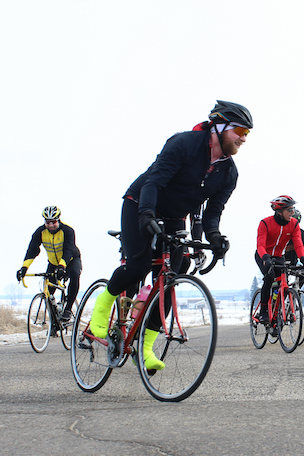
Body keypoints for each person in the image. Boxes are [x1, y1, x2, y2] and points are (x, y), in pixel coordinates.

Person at [88, 100, 253, 371]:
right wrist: (147, 214)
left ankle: (144, 348)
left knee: (172, 275)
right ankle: (103, 306)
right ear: (220, 126)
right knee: (138, 265)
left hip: (175, 215)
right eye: (241, 132)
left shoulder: (229, 173)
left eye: (247, 134)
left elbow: (214, 211)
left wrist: (214, 236)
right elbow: (154, 181)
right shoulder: (184, 144)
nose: (244, 139)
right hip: (140, 202)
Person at [16, 206, 82, 323]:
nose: (51, 225)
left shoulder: (68, 231)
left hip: (71, 260)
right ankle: (54, 323)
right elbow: (32, 250)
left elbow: (68, 250)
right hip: (53, 263)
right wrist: (24, 267)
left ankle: (68, 309)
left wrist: (62, 266)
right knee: (49, 291)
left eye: (53, 222)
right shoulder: (40, 232)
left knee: (74, 274)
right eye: (47, 222)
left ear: (58, 220)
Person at [255, 195, 304, 326]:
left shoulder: (293, 224)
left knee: (283, 283)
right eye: (289, 210)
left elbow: (298, 244)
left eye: (293, 209)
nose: (292, 213)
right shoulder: (265, 223)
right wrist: (265, 258)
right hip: (263, 255)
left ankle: (276, 316)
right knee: (269, 278)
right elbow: (260, 245)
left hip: (279, 256)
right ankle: (263, 311)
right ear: (279, 211)